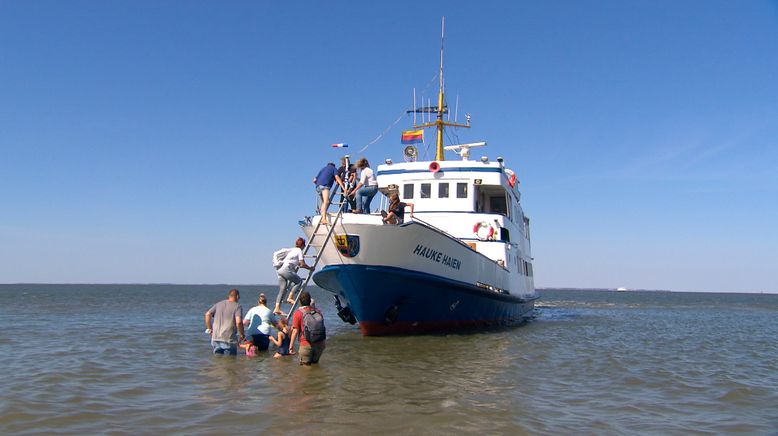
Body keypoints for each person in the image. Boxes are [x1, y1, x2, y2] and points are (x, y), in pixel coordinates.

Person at [274, 237, 314, 315]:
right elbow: (302, 264)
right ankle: (290, 297)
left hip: (279, 269)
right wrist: (310, 268)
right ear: (302, 245)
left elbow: (295, 262)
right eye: (304, 246)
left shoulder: (292, 250)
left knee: (282, 289)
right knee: (299, 281)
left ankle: (277, 308)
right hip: (286, 270)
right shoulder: (299, 251)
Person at [289, 291, 326, 365]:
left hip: (306, 344)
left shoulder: (298, 313)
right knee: (315, 365)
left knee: (305, 369)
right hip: (320, 344)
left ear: (300, 302)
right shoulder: (318, 311)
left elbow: (295, 331)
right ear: (310, 301)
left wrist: (290, 347)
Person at [204, 288, 245, 355]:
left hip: (216, 337)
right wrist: (242, 334)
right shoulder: (237, 306)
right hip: (229, 339)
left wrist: (210, 329)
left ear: (229, 296)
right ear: (237, 296)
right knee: (231, 361)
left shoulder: (218, 304)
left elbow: (207, 314)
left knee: (217, 361)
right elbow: (239, 322)